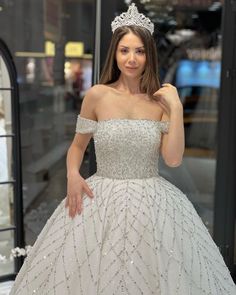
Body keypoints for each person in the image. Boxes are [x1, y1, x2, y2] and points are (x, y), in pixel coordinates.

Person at [10, 3, 235, 294]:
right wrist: (72, 175)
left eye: (139, 51)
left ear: (148, 55)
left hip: (152, 201)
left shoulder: (161, 101)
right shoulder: (97, 95)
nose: (132, 59)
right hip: (100, 198)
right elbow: (78, 147)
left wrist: (176, 109)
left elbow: (173, 158)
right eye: (124, 50)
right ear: (115, 53)